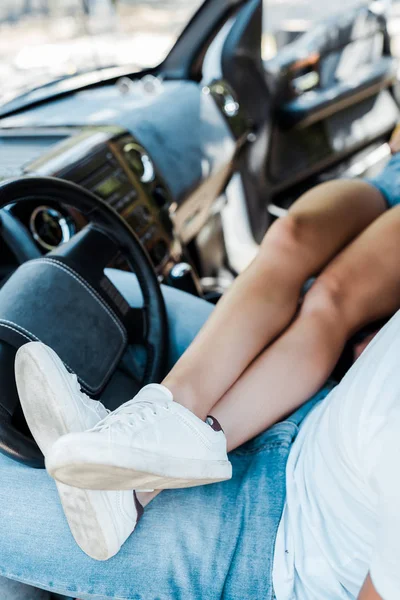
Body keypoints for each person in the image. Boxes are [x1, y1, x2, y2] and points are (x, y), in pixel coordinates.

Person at [4, 136, 400, 599]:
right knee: (301, 255)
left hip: (279, 547)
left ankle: (139, 469)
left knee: (325, 303)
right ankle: (158, 432)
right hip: (320, 426)